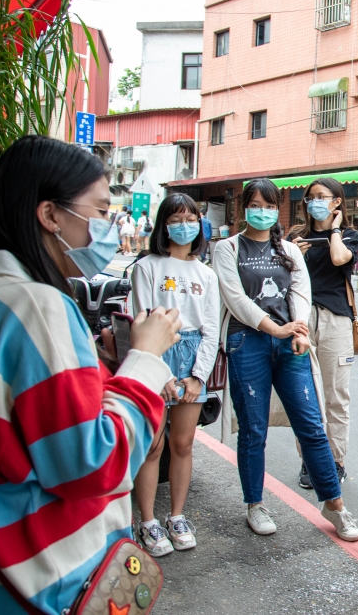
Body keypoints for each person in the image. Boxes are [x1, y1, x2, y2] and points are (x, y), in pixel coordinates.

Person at [0, 136, 181, 614]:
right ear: (51, 215)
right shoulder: (38, 306)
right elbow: (90, 461)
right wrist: (147, 359)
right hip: (35, 584)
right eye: (98, 214)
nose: (109, 229)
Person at [212, 179, 358, 540]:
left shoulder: (290, 251)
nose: (262, 212)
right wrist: (273, 329)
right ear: (242, 208)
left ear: (276, 208)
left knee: (311, 425)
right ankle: (255, 504)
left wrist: (297, 333)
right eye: (255, 205)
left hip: (290, 343)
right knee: (253, 429)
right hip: (246, 341)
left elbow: (300, 294)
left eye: (268, 206)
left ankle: (335, 504)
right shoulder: (227, 249)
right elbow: (236, 300)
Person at [130, 193, 220, 556]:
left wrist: (198, 376)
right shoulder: (146, 267)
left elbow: (211, 328)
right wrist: (160, 374)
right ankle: (148, 520)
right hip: (155, 351)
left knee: (183, 444)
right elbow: (142, 320)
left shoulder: (207, 274)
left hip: (193, 354)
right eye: (177, 219)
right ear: (163, 225)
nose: (185, 225)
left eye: (191, 219)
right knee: (152, 445)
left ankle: (177, 516)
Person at [288, 178, 358, 487]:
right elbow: (281, 276)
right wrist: (293, 253)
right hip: (300, 321)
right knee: (305, 395)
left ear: (336, 202)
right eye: (310, 197)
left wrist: (334, 229)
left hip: (336, 321)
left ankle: (336, 460)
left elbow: (338, 259)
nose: (315, 202)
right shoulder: (295, 237)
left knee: (336, 396)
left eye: (323, 197)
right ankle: (310, 459)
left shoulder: (348, 236)